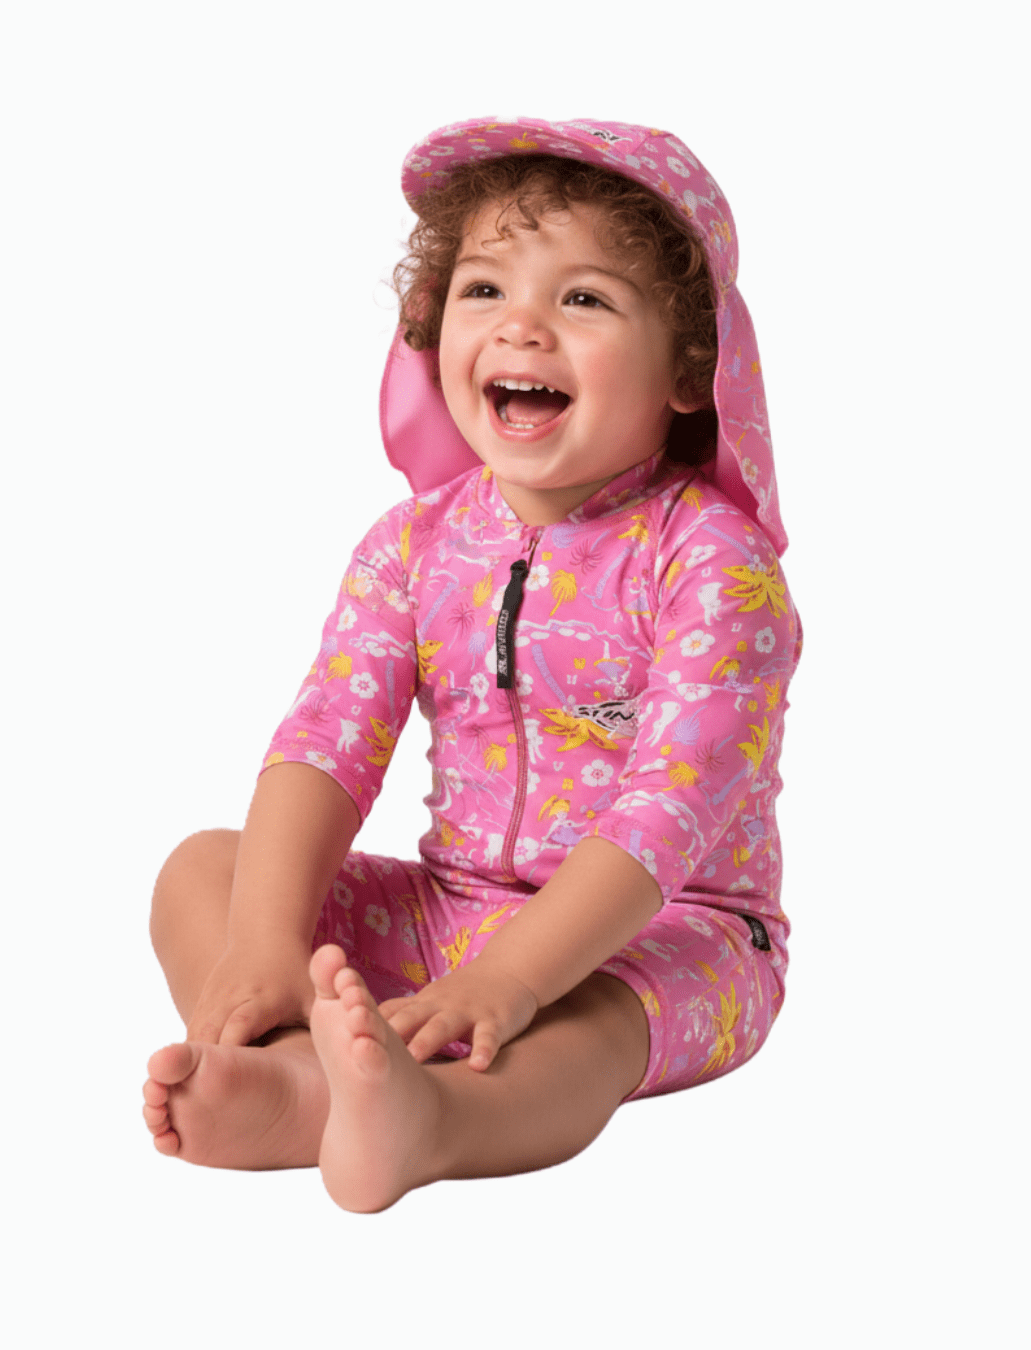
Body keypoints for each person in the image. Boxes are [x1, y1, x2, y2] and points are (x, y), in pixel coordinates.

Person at [142, 117, 801, 1213]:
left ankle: (426, 1121)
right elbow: (327, 741)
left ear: (695, 370)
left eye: (583, 299)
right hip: (453, 907)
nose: (524, 327)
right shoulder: (413, 544)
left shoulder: (713, 565)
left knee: (585, 1037)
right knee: (204, 870)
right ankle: (310, 1066)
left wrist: (513, 980)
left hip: (670, 929)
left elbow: (665, 818)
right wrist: (262, 942)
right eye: (485, 290)